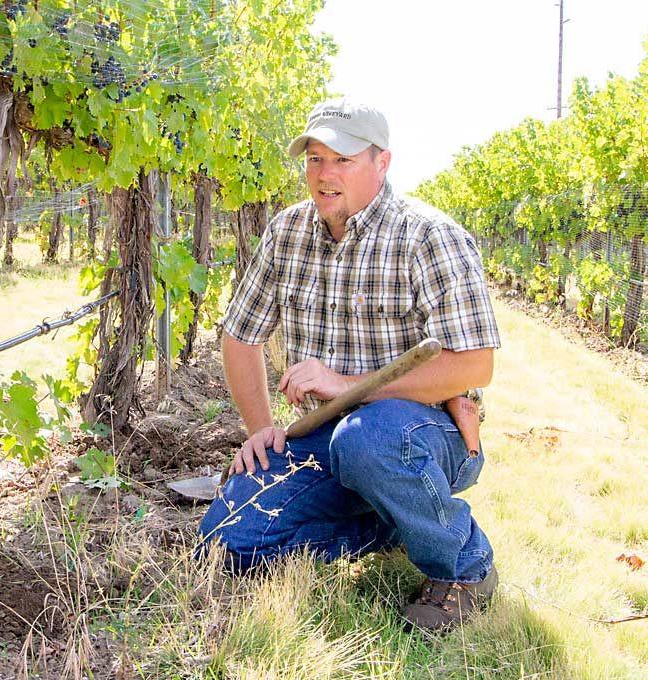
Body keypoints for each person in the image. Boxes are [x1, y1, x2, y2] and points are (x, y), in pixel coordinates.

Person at [197, 96, 502, 632]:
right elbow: (240, 336)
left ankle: (463, 567)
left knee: (364, 437)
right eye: (314, 159)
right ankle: (393, 523)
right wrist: (262, 429)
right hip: (322, 434)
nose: (324, 174)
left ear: (381, 163)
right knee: (226, 543)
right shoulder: (287, 233)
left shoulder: (428, 235)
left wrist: (346, 386)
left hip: (421, 432)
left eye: (342, 160)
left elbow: (475, 365)